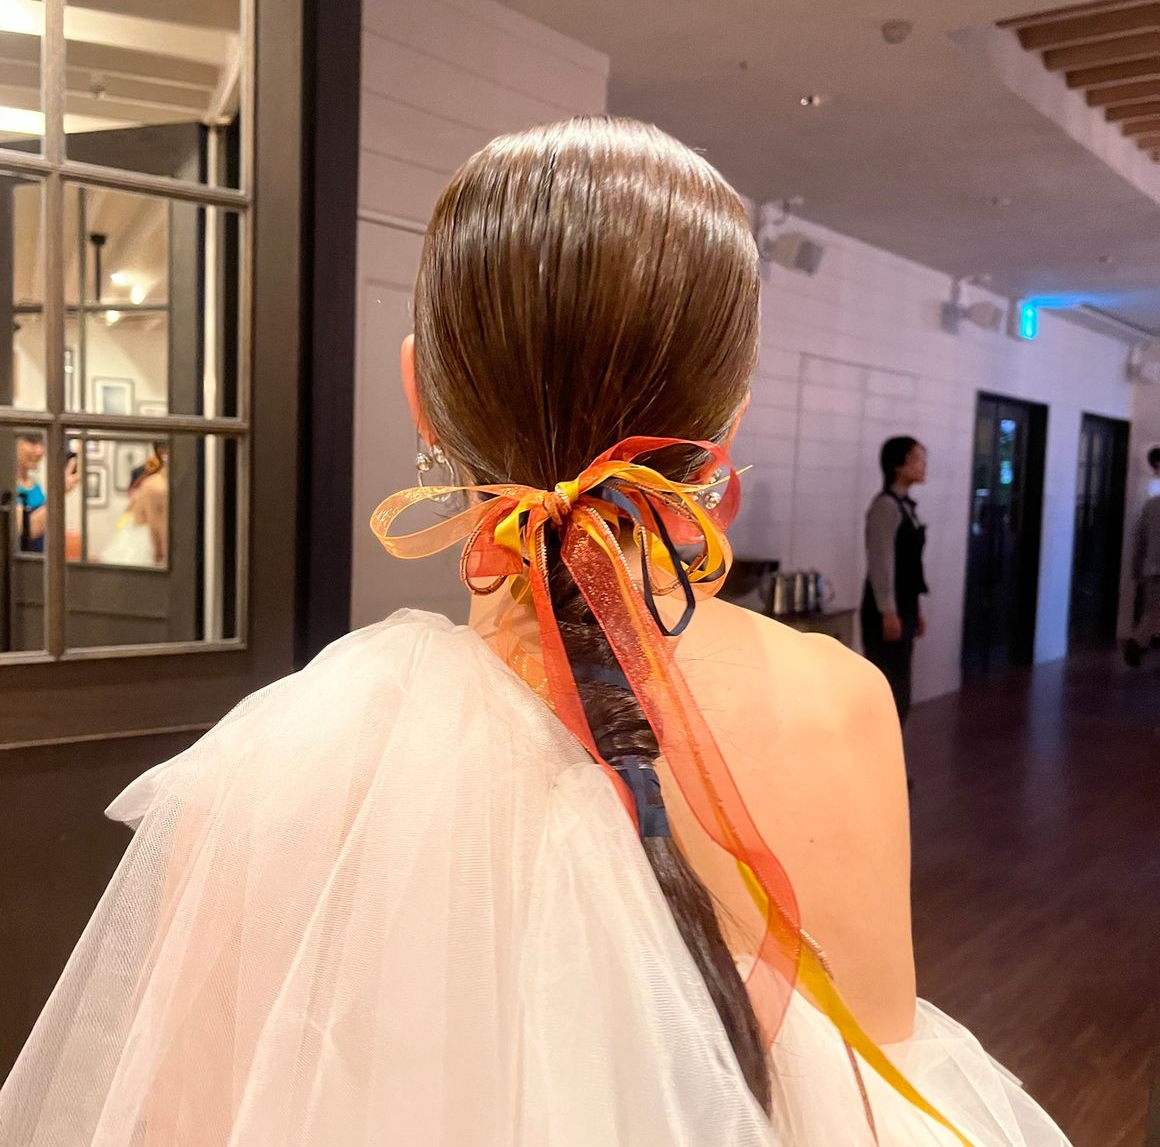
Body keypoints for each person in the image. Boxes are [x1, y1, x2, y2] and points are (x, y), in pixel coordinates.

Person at [0, 118, 1067, 1145]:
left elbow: (186, 1122)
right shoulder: (843, 704)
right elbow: (879, 1105)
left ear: (419, 395)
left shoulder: (269, 767)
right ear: (725, 427)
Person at [861, 436, 928, 726]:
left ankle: (894, 752)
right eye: (917, 459)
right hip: (886, 608)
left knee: (901, 686)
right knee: (888, 686)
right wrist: (888, 611)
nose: (923, 465)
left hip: (904, 604)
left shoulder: (906, 507)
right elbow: (881, 562)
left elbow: (909, 566)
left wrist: (916, 608)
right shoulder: (885, 506)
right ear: (898, 465)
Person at [100, 442, 169, 567]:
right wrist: (160, 555)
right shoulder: (152, 480)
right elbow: (156, 524)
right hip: (145, 539)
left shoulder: (160, 480)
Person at [1124, 444, 1160, 667]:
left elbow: (1140, 538)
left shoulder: (1151, 504)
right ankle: (1138, 641)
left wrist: (1137, 567)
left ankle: (1138, 641)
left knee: (1152, 610)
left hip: (1152, 567)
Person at [13, 431, 79, 553]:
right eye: (32, 442)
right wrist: (59, 492)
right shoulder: (7, 485)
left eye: (42, 443)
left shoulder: (33, 483)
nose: (40, 451)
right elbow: (26, 530)